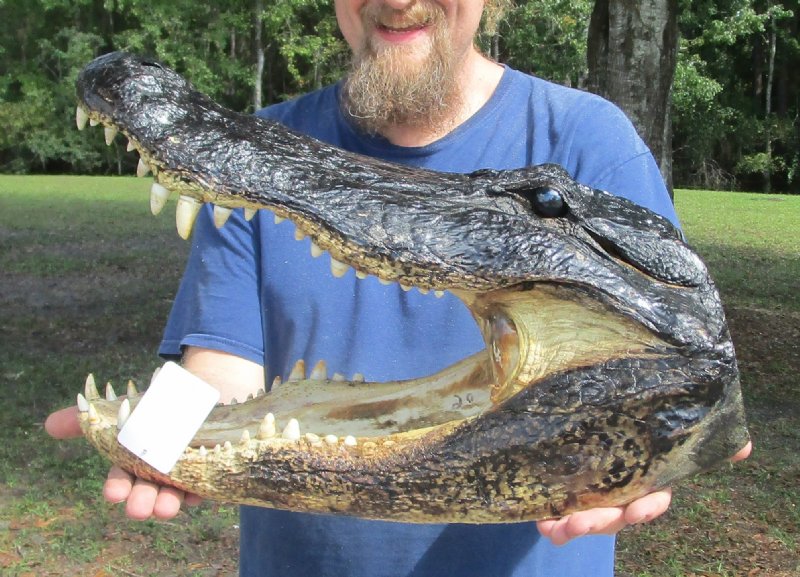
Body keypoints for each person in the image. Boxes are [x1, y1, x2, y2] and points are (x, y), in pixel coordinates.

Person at [47, 0, 751, 575]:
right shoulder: (253, 158)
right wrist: (156, 435)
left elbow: (674, 344)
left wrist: (679, 436)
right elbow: (223, 363)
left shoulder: (587, 137)